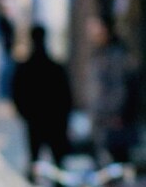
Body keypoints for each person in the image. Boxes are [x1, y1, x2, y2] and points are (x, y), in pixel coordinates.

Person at [10, 24, 72, 170]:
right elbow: (66, 97)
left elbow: (17, 94)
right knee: (55, 162)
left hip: (37, 120)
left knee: (36, 161)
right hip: (52, 120)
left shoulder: (26, 68)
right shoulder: (54, 67)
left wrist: (25, 114)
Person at [87, 17, 138, 163]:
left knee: (117, 161)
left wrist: (117, 113)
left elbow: (119, 87)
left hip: (113, 119)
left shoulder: (116, 56)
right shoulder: (98, 55)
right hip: (100, 117)